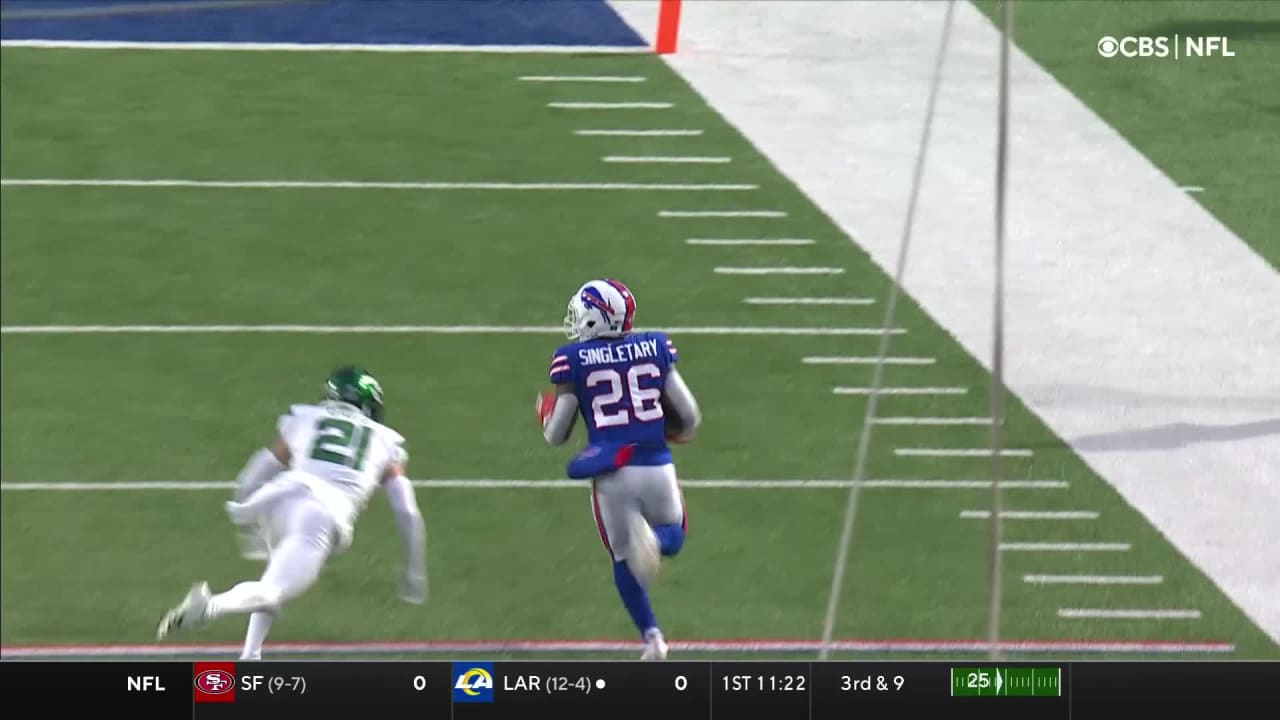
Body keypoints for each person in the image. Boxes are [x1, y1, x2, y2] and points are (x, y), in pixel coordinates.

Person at [156, 366, 427, 660]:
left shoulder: (308, 417)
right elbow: (407, 511)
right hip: (320, 514)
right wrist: (413, 571)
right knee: (273, 591)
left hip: (278, 497)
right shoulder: (385, 441)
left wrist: (248, 517)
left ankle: (250, 655)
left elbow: (260, 467)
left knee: (272, 581)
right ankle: (209, 607)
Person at [537, 279, 701, 661]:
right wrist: (670, 431)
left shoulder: (573, 359)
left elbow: (556, 435)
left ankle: (653, 637)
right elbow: (690, 416)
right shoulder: (655, 346)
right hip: (655, 460)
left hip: (611, 470)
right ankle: (656, 542)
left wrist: (547, 413)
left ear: (595, 319)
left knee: (624, 560)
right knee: (672, 534)